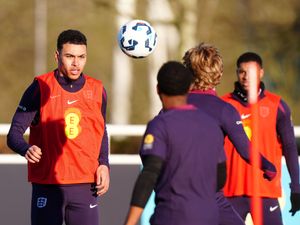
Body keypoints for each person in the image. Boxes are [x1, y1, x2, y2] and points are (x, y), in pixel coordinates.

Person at [7, 29, 110, 225]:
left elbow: (101, 131)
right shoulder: (40, 88)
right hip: (48, 185)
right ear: (57, 56)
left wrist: (104, 163)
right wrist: (26, 148)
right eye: (69, 56)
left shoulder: (97, 90)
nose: (76, 63)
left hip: (86, 187)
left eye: (81, 57)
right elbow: (13, 135)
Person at [182, 43, 276, 225]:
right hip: (211, 197)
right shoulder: (224, 110)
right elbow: (246, 150)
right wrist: (268, 166)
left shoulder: (172, 106)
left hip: (177, 197)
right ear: (219, 74)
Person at [124, 61, 224, 225]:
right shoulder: (211, 125)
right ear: (190, 88)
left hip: (173, 215)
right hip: (209, 217)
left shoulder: (160, 125)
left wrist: (130, 222)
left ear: (157, 89)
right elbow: (221, 176)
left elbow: (149, 174)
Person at [222, 52, 300, 224]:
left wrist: (296, 186)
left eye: (251, 71)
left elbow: (290, 147)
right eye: (242, 72)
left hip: (265, 191)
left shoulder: (277, 105)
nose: (246, 76)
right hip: (231, 191)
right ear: (237, 73)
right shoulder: (223, 105)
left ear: (261, 73)